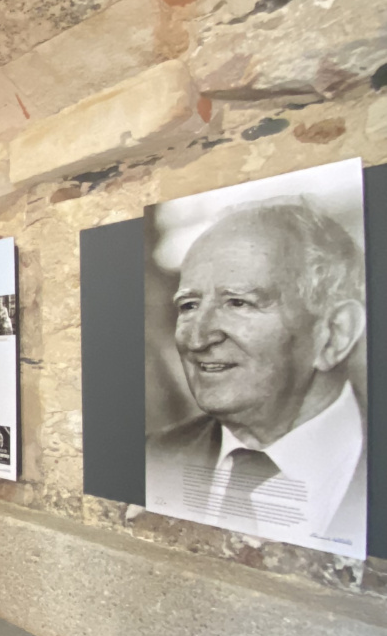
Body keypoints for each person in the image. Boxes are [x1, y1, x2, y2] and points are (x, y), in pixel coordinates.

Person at [147, 199, 366, 543]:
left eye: (239, 303)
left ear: (334, 334)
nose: (197, 338)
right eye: (189, 305)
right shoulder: (151, 458)